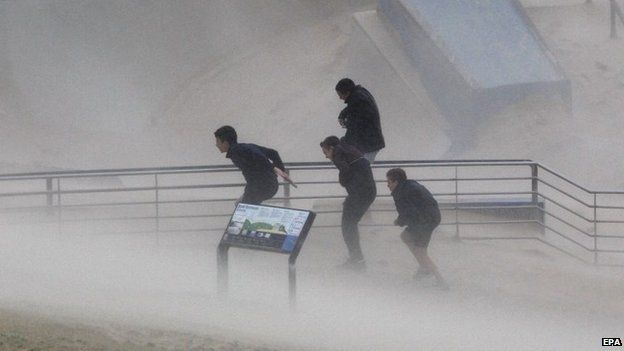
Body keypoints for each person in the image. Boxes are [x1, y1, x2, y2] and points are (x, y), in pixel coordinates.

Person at [320, 136, 377, 270]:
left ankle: (357, 260)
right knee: (350, 224)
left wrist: (343, 181)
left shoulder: (338, 154)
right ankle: (357, 259)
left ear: (331, 148)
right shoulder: (348, 150)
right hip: (367, 192)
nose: (326, 157)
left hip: (360, 194)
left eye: (325, 153)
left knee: (347, 226)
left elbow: (344, 170)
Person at [386, 168, 448, 289]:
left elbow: (408, 212)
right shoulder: (411, 184)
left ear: (396, 182)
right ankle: (424, 267)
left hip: (423, 221)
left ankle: (440, 280)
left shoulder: (400, 193)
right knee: (406, 237)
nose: (387, 185)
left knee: (420, 251)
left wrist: (399, 221)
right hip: (433, 217)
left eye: (389, 181)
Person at [214, 125, 293, 205]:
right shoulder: (246, 146)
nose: (216, 145)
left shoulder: (236, 152)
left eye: (217, 141)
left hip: (260, 187)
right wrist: (281, 170)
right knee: (240, 204)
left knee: (244, 208)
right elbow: (273, 153)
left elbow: (259, 158)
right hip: (268, 186)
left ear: (225, 143)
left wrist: (273, 168)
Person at [335, 78, 385, 163]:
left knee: (362, 169)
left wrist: (345, 138)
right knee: (362, 168)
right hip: (371, 142)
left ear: (347, 92)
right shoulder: (359, 95)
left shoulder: (358, 99)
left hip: (369, 144)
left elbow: (357, 125)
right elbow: (352, 108)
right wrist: (342, 115)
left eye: (340, 95)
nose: (340, 98)